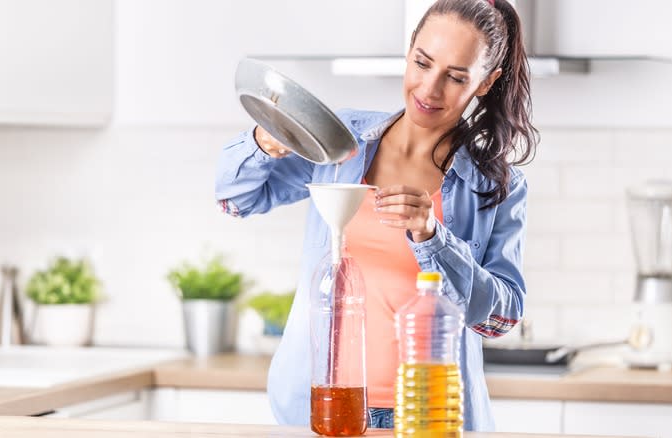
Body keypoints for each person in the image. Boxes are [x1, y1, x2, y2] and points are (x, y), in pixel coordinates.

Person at [215, 0, 538, 431]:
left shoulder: (497, 185)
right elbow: (235, 199)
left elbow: (501, 317)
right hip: (322, 409)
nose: (429, 89)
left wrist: (432, 237)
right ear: (409, 52)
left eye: (456, 77)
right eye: (422, 63)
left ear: (486, 82)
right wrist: (263, 141)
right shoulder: (339, 140)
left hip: (429, 417)